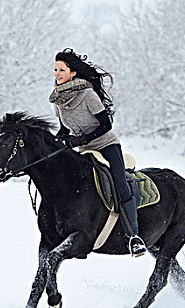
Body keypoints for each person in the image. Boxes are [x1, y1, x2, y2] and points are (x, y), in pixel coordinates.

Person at [49, 48, 146, 257]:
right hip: (84, 150)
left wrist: (82, 139)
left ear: (73, 73)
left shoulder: (88, 95)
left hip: (106, 145)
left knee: (120, 183)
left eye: (61, 70)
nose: (57, 74)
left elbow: (106, 125)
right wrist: (54, 143)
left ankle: (134, 237)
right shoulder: (57, 101)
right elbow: (64, 130)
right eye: (55, 70)